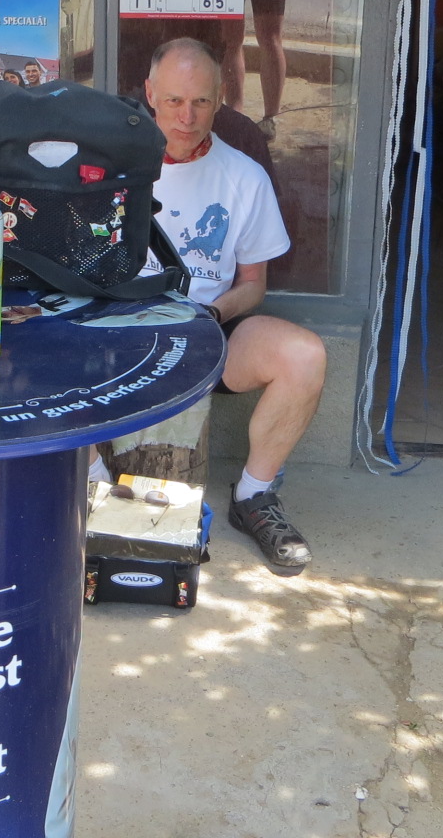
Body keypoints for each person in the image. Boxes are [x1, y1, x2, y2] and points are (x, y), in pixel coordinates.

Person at [145, 38, 323, 572]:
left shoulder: (243, 174)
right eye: (174, 100)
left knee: (304, 355)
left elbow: (253, 284)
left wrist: (213, 315)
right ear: (150, 94)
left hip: (209, 329)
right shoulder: (111, 166)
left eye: (200, 101)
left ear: (220, 98)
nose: (187, 116)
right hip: (125, 329)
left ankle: (253, 495)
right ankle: (95, 492)